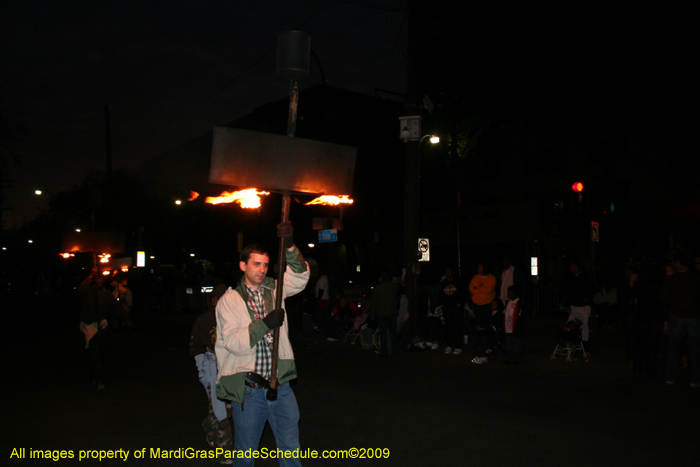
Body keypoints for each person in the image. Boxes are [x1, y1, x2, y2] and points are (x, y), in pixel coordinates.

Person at [215, 221, 310, 466]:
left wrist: (289, 246)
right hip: (250, 391)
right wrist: (265, 324)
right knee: (245, 455)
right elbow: (234, 342)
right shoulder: (230, 300)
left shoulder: (275, 290)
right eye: (256, 264)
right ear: (242, 265)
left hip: (282, 387)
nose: (262, 269)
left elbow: (300, 276)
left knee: (291, 450)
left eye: (266, 264)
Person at [190, 286, 232, 463]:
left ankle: (209, 425)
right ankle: (224, 447)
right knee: (219, 406)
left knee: (228, 407)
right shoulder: (205, 320)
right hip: (212, 365)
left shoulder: (232, 317)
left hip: (231, 367)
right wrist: (203, 368)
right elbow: (195, 347)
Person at [77, 267, 123, 394]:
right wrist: (91, 274)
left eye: (102, 279)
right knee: (95, 353)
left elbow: (115, 308)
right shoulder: (88, 292)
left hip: (101, 327)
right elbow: (81, 289)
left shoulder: (106, 295)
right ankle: (98, 380)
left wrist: (125, 318)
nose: (100, 281)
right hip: (89, 327)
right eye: (98, 279)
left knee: (101, 354)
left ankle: (97, 377)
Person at [659, 252, 700, 388]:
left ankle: (670, 377)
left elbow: (663, 298)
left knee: (673, 347)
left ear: (678, 263)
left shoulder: (673, 279)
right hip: (694, 316)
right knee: (694, 349)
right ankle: (695, 379)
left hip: (677, 315)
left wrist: (675, 302)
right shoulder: (696, 278)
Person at [562, 260, 594, 354]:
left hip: (584, 306)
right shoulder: (569, 277)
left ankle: (586, 347)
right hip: (574, 306)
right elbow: (566, 290)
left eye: (571, 266)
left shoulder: (585, 277)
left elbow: (590, 289)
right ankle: (570, 344)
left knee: (585, 326)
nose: (570, 268)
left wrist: (587, 299)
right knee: (570, 325)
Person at [370, 272, 400, 357]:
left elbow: (373, 302)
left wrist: (372, 314)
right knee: (393, 332)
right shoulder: (393, 287)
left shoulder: (377, 288)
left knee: (383, 333)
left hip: (381, 313)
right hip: (392, 312)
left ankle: (384, 351)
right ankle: (394, 350)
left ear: (380, 279)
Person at [440, 267, 466, 355]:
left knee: (457, 326)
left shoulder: (458, 282)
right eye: (446, 272)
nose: (448, 274)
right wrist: (442, 304)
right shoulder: (444, 283)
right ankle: (448, 345)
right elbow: (441, 294)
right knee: (448, 327)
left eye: (450, 272)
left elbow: (463, 293)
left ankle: (458, 346)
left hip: (456, 308)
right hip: (447, 308)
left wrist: (460, 303)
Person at [503, 285, 528, 364]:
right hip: (508, 327)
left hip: (516, 328)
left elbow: (521, 316)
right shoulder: (508, 302)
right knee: (509, 345)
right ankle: (510, 359)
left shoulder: (519, 303)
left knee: (517, 345)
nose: (508, 293)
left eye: (509, 292)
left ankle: (518, 359)